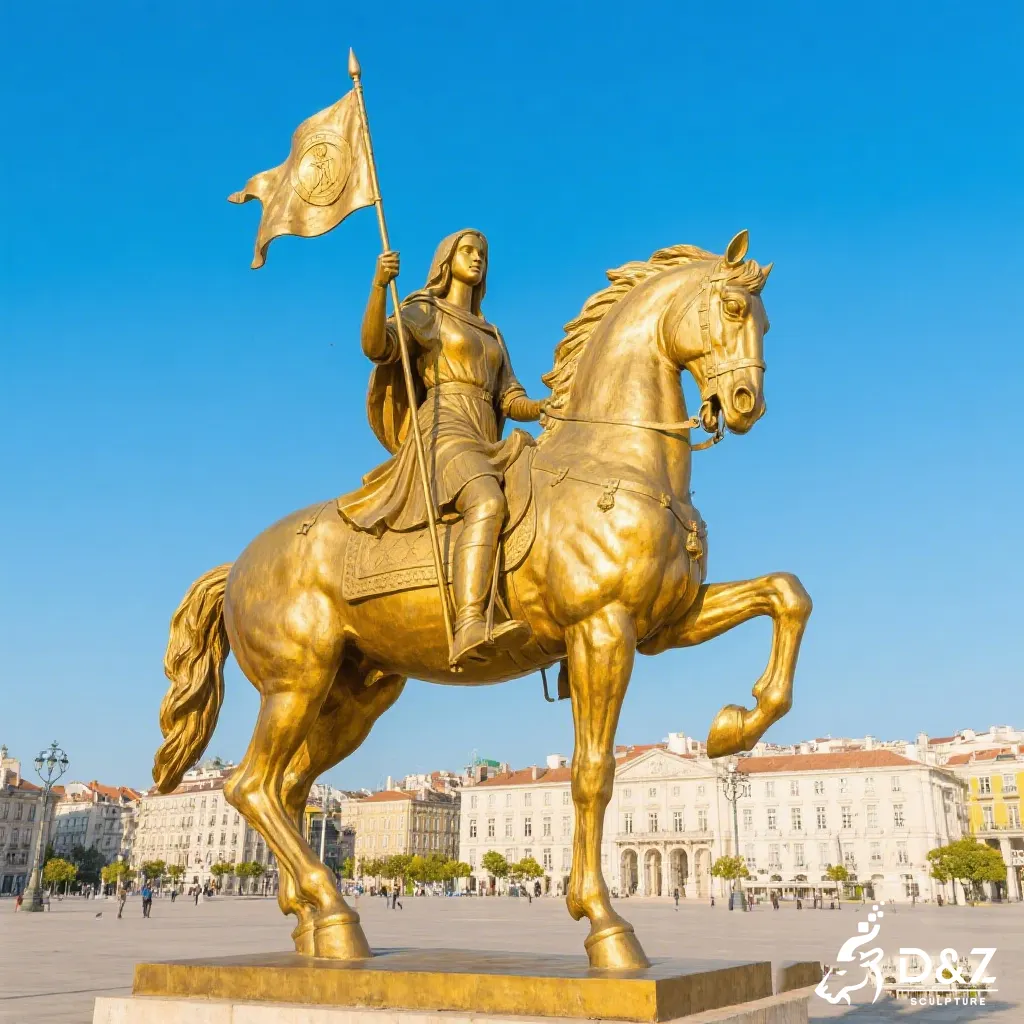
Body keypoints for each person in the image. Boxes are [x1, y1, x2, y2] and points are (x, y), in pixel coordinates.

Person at [339, 232, 547, 666]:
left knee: (546, 492)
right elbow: (377, 348)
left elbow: (510, 398)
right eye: (468, 252)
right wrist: (379, 287)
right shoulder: (424, 312)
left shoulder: (492, 333)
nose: (478, 260)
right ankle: (471, 621)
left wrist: (547, 405)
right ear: (446, 260)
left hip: (487, 433)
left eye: (484, 255)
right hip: (443, 430)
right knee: (488, 502)